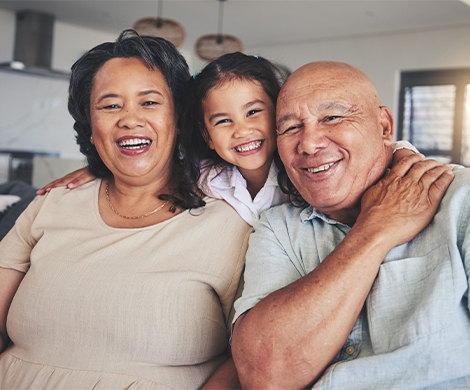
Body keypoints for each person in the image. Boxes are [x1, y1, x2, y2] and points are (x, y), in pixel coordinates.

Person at [0, 30, 252, 389]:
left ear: (178, 118)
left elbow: (246, 360)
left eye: (149, 102)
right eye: (110, 105)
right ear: (90, 127)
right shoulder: (50, 203)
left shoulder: (232, 224)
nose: (130, 119)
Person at [231, 61, 466, 389]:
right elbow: (264, 374)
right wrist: (377, 228)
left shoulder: (460, 198)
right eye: (290, 128)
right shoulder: (277, 227)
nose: (309, 144)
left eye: (332, 117)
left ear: (384, 127)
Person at [38, 53, 418, 226]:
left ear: (278, 115)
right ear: (206, 133)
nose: (241, 130)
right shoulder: (205, 175)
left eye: (254, 112)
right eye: (222, 120)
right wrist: (96, 169)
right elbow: (145, 159)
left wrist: (404, 157)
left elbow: (374, 156)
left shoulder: (307, 169)